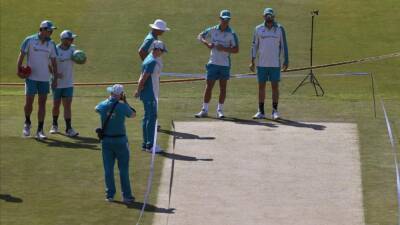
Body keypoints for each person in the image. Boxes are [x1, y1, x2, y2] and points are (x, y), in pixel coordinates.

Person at [17, 20, 60, 139]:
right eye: (49, 30)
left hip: (44, 79)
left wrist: (55, 78)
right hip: (31, 78)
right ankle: (27, 123)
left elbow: (54, 62)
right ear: (42, 30)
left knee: (42, 103)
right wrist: (18, 70)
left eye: (52, 31)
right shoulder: (29, 40)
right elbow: (21, 55)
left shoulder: (51, 44)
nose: (51, 33)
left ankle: (40, 130)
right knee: (29, 103)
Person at [95, 84, 136, 204]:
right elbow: (133, 114)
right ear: (121, 95)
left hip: (106, 141)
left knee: (108, 169)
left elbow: (96, 109)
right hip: (121, 141)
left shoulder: (103, 105)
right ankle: (127, 196)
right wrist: (125, 102)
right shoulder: (122, 106)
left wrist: (108, 102)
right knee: (123, 169)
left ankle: (110, 195)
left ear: (111, 93)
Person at [194, 9, 239, 119]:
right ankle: (204, 110)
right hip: (213, 63)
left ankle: (220, 110)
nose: (225, 21)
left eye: (227, 19)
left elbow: (236, 49)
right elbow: (200, 36)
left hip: (224, 64)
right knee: (209, 86)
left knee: (223, 87)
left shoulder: (232, 33)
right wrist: (207, 43)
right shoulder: (213, 30)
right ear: (220, 19)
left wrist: (224, 48)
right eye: (224, 19)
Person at [250, 7, 289, 120]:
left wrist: (286, 60)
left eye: (270, 15)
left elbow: (284, 46)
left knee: (275, 87)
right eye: (267, 15)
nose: (269, 17)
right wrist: (252, 60)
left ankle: (275, 111)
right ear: (264, 16)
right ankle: (261, 111)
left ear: (273, 16)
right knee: (261, 87)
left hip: (275, 64)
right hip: (261, 63)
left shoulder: (280, 29)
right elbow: (254, 45)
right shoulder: (258, 29)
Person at [134, 40, 167, 153]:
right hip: (150, 93)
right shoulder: (151, 61)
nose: (162, 53)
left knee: (147, 117)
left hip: (151, 92)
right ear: (156, 49)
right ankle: (150, 145)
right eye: (161, 50)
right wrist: (138, 91)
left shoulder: (153, 58)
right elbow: (144, 78)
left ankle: (145, 144)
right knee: (151, 118)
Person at [49, 30, 80, 137]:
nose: (72, 40)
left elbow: (80, 60)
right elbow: (49, 65)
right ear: (64, 40)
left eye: (72, 39)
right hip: (56, 83)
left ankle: (68, 128)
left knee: (67, 105)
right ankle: (54, 125)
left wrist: (81, 59)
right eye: (70, 39)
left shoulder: (73, 49)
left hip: (69, 83)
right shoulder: (55, 50)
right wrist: (55, 75)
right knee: (56, 105)